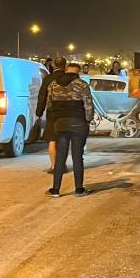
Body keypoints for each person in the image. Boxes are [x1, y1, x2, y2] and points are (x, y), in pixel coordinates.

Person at [45, 62, 94, 197]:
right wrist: (88, 120)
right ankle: (79, 189)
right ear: (77, 72)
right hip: (78, 124)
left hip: (60, 124)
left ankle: (55, 190)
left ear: (66, 71)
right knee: (77, 156)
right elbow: (88, 105)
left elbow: (49, 105)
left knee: (60, 157)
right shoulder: (82, 84)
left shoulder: (53, 85)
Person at [36, 56, 67, 174]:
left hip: (52, 112)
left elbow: (42, 96)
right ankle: (62, 164)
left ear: (54, 65)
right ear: (65, 65)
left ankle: (54, 166)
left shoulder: (48, 78)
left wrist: (39, 112)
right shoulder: (67, 78)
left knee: (52, 139)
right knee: (63, 139)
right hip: (65, 112)